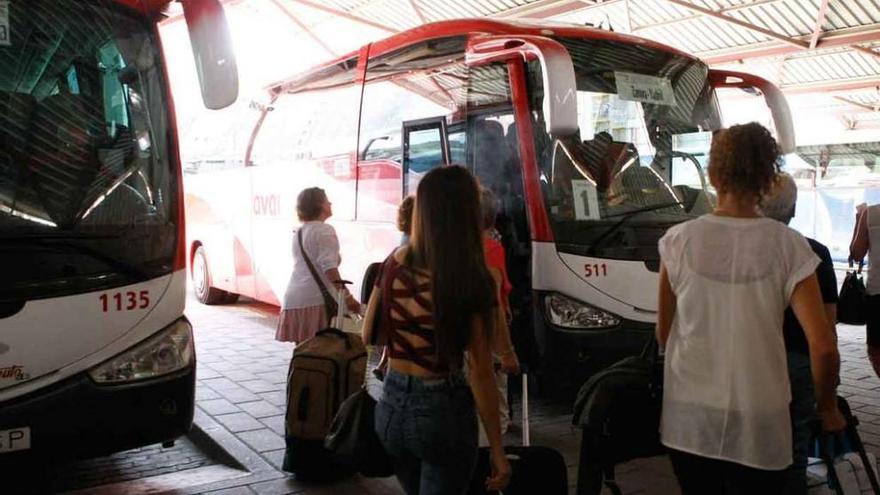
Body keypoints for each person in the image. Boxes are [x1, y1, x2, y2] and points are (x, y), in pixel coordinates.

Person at [656, 123, 845, 494]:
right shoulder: (788, 246)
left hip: (690, 418)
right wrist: (827, 407)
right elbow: (823, 347)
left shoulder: (678, 241)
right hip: (761, 419)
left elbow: (665, 334)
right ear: (767, 176)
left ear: (713, 174)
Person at [363, 166, 511, 494]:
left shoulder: (393, 263)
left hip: (391, 408)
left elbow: (367, 334)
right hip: (442, 411)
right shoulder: (473, 277)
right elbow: (481, 372)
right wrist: (499, 452)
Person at [762, 173, 839, 495]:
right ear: (793, 210)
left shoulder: (735, 253)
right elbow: (827, 332)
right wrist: (828, 402)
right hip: (798, 366)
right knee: (793, 454)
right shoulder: (814, 252)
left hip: (752, 364)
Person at [276, 187, 359, 343]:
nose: (330, 203)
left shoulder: (300, 232)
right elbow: (329, 268)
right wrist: (347, 298)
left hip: (294, 299)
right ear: (319, 205)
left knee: (306, 355)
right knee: (324, 355)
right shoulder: (325, 230)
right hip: (316, 301)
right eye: (326, 200)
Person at [479, 187, 520, 439]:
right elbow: (493, 302)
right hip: (487, 331)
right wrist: (507, 352)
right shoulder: (491, 247)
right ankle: (496, 446)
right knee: (495, 388)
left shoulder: (452, 243)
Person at [850, 202, 880, 378]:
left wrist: (858, 219)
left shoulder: (871, 213)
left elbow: (857, 253)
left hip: (878, 292)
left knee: (876, 349)